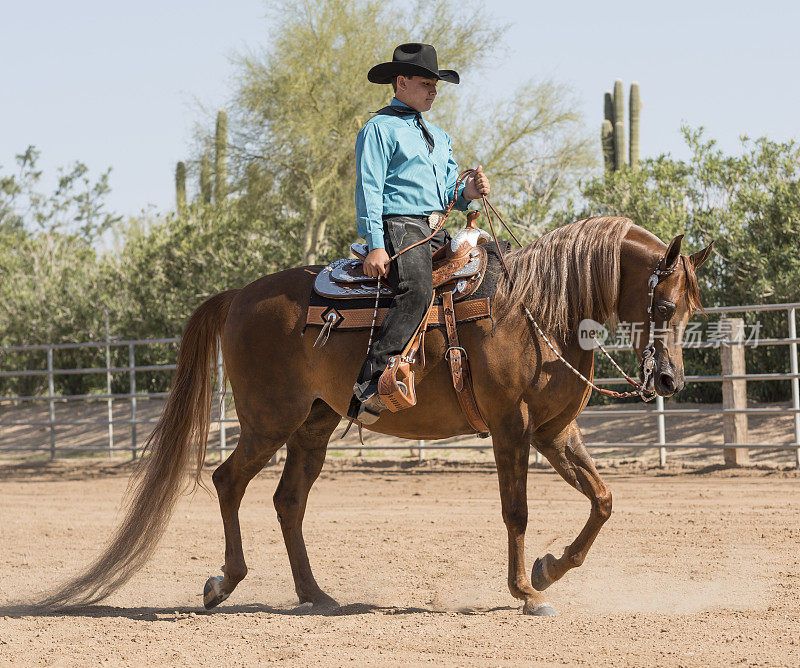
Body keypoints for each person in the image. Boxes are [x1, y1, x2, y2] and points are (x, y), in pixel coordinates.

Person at [348, 43, 491, 424]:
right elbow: (369, 190)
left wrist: (469, 194)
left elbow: (448, 195)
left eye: (436, 85)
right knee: (418, 288)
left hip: (434, 227)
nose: (433, 90)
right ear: (401, 82)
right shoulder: (379, 129)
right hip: (400, 225)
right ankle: (372, 381)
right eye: (426, 83)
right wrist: (377, 245)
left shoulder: (439, 137)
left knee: (491, 266)